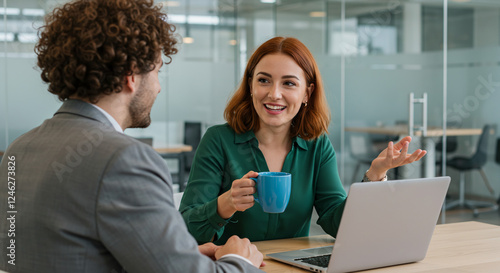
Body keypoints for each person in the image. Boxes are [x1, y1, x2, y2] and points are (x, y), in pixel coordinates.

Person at [0, 0, 264, 272]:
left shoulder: (19, 149)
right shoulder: (124, 159)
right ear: (131, 75)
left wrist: (179, 254)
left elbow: (71, 252)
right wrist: (239, 261)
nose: (159, 87)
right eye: (157, 71)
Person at [179, 37, 427, 245]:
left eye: (289, 83)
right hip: (232, 267)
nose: (274, 94)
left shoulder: (317, 146)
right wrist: (224, 204)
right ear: (251, 86)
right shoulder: (218, 140)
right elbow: (185, 231)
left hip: (292, 267)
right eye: (263, 80)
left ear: (307, 93)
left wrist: (375, 175)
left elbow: (337, 223)